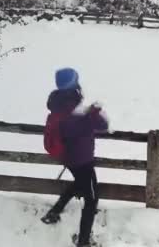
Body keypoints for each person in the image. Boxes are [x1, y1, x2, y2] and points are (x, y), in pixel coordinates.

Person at [41, 68, 109, 247]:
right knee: (92, 199)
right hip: (82, 160)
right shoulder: (76, 110)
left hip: (70, 158)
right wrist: (94, 112)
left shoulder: (59, 103)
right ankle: (84, 241)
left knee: (80, 184)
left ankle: (54, 213)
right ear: (73, 84)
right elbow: (102, 125)